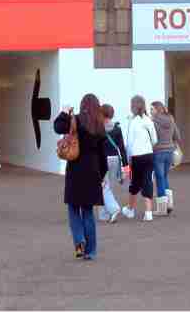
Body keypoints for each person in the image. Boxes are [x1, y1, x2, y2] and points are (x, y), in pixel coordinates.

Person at [54, 95, 107, 260]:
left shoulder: (75, 120)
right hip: (92, 171)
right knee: (88, 212)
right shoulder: (99, 126)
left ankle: (79, 240)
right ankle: (91, 251)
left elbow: (58, 127)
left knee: (73, 208)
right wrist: (102, 175)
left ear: (82, 105)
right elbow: (102, 155)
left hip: (76, 170)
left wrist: (64, 112)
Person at [122, 95, 157, 222]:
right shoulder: (148, 120)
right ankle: (148, 212)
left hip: (136, 156)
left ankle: (130, 209)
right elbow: (155, 139)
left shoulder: (133, 122)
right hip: (148, 155)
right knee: (147, 180)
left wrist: (128, 159)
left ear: (133, 106)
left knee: (135, 182)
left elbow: (129, 144)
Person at [99, 103, 129, 224]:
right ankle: (104, 214)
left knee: (103, 186)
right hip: (115, 159)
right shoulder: (117, 128)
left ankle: (113, 208)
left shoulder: (98, 129)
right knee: (107, 185)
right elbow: (122, 147)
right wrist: (126, 165)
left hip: (102, 160)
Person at [150, 101, 181, 214]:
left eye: (152, 109)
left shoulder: (153, 121)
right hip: (170, 152)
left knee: (159, 178)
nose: (150, 111)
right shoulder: (171, 119)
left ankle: (162, 209)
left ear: (157, 110)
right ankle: (169, 203)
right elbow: (178, 136)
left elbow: (152, 138)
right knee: (164, 176)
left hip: (158, 152)